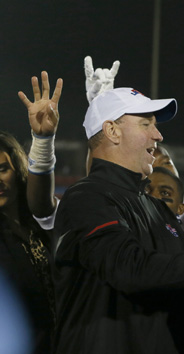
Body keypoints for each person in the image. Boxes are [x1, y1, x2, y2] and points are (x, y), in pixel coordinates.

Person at [52, 86, 184, 354]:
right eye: (146, 124)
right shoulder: (85, 197)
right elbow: (131, 270)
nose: (158, 134)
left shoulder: (158, 209)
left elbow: (181, 302)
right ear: (112, 131)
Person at [0, 71, 62, 353]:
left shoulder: (41, 219)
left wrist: (42, 138)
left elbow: (42, 203)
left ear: (18, 170)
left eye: (2, 169)